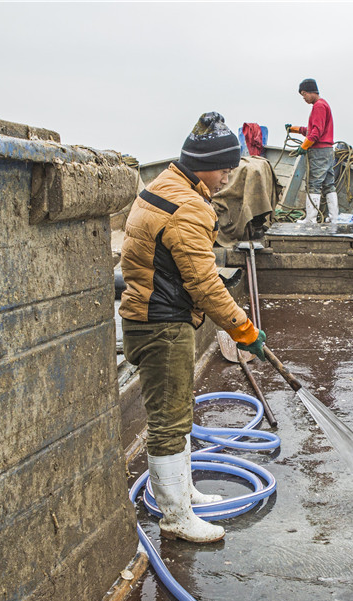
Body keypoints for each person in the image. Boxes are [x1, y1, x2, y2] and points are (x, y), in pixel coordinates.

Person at [119, 112, 267, 543]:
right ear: (203, 163)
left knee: (179, 412)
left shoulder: (166, 183)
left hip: (151, 317)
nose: (227, 177)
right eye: (225, 167)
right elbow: (204, 284)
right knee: (168, 420)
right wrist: (244, 330)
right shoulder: (188, 208)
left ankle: (184, 493)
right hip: (162, 325)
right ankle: (176, 517)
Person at [286, 78, 338, 224]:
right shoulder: (324, 104)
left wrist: (303, 147)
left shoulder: (318, 106)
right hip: (328, 151)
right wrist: (294, 129)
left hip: (319, 152)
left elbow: (315, 133)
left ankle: (310, 219)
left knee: (314, 184)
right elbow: (312, 130)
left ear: (310, 92)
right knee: (329, 184)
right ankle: (334, 218)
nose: (303, 98)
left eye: (304, 94)